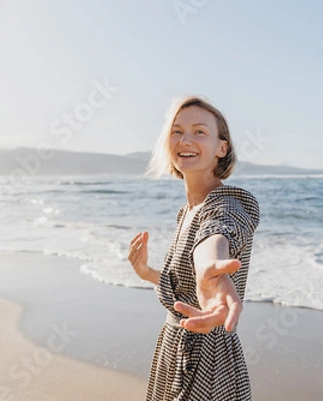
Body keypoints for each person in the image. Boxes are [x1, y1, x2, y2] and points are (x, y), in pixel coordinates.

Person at [128, 95, 260, 400]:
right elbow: (182, 287)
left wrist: (210, 271)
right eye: (177, 131)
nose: (186, 139)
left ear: (221, 148)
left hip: (207, 360)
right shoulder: (186, 211)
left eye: (200, 131)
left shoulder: (230, 203)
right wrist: (147, 272)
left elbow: (216, 236)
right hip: (173, 347)